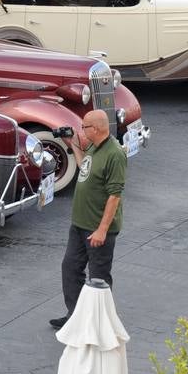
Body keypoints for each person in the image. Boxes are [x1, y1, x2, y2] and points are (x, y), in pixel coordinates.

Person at [51, 109, 126, 330]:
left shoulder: (115, 154)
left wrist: (103, 229)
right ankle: (75, 316)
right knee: (71, 268)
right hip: (79, 224)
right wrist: (72, 143)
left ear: (96, 129)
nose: (82, 130)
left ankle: (100, 325)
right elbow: (86, 167)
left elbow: (115, 196)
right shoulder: (94, 146)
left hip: (97, 227)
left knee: (99, 278)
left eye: (84, 127)